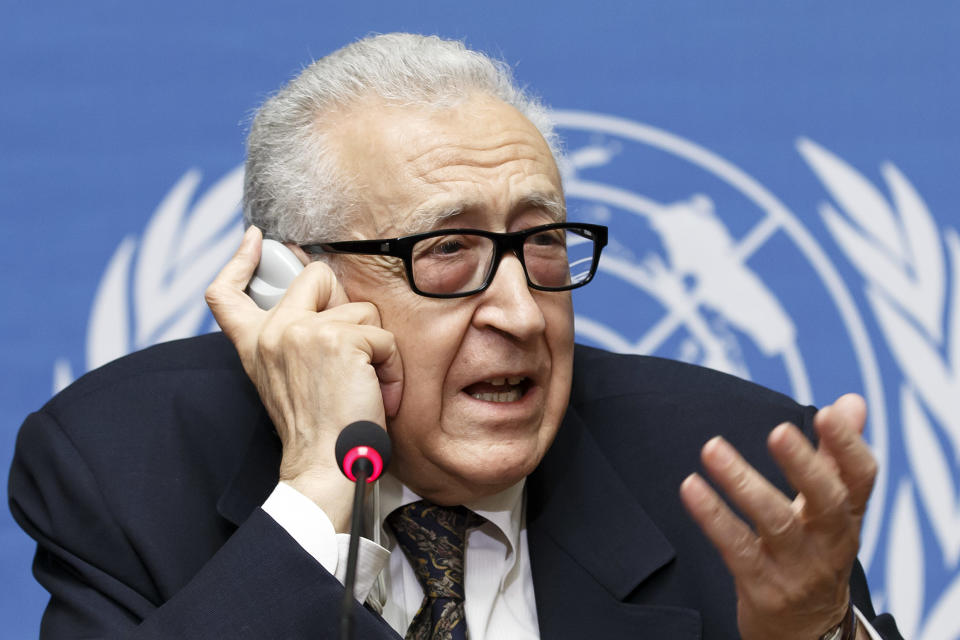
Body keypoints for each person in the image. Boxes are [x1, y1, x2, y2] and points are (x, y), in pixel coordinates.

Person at [9, 33, 902, 640]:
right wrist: (322, 486)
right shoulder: (117, 467)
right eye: (448, 251)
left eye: (541, 243)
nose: (520, 312)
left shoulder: (731, 468)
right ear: (299, 291)